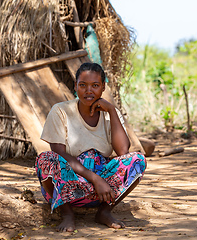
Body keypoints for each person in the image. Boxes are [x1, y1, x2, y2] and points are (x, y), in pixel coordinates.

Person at [35, 62, 147, 232]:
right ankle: (67, 214)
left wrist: (111, 110)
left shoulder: (111, 114)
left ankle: (104, 212)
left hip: (103, 191)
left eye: (95, 85)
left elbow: (123, 151)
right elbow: (59, 153)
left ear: (103, 87)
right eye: (83, 85)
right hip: (67, 188)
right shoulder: (60, 111)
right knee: (46, 158)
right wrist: (95, 179)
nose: (89, 91)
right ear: (75, 87)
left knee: (137, 160)